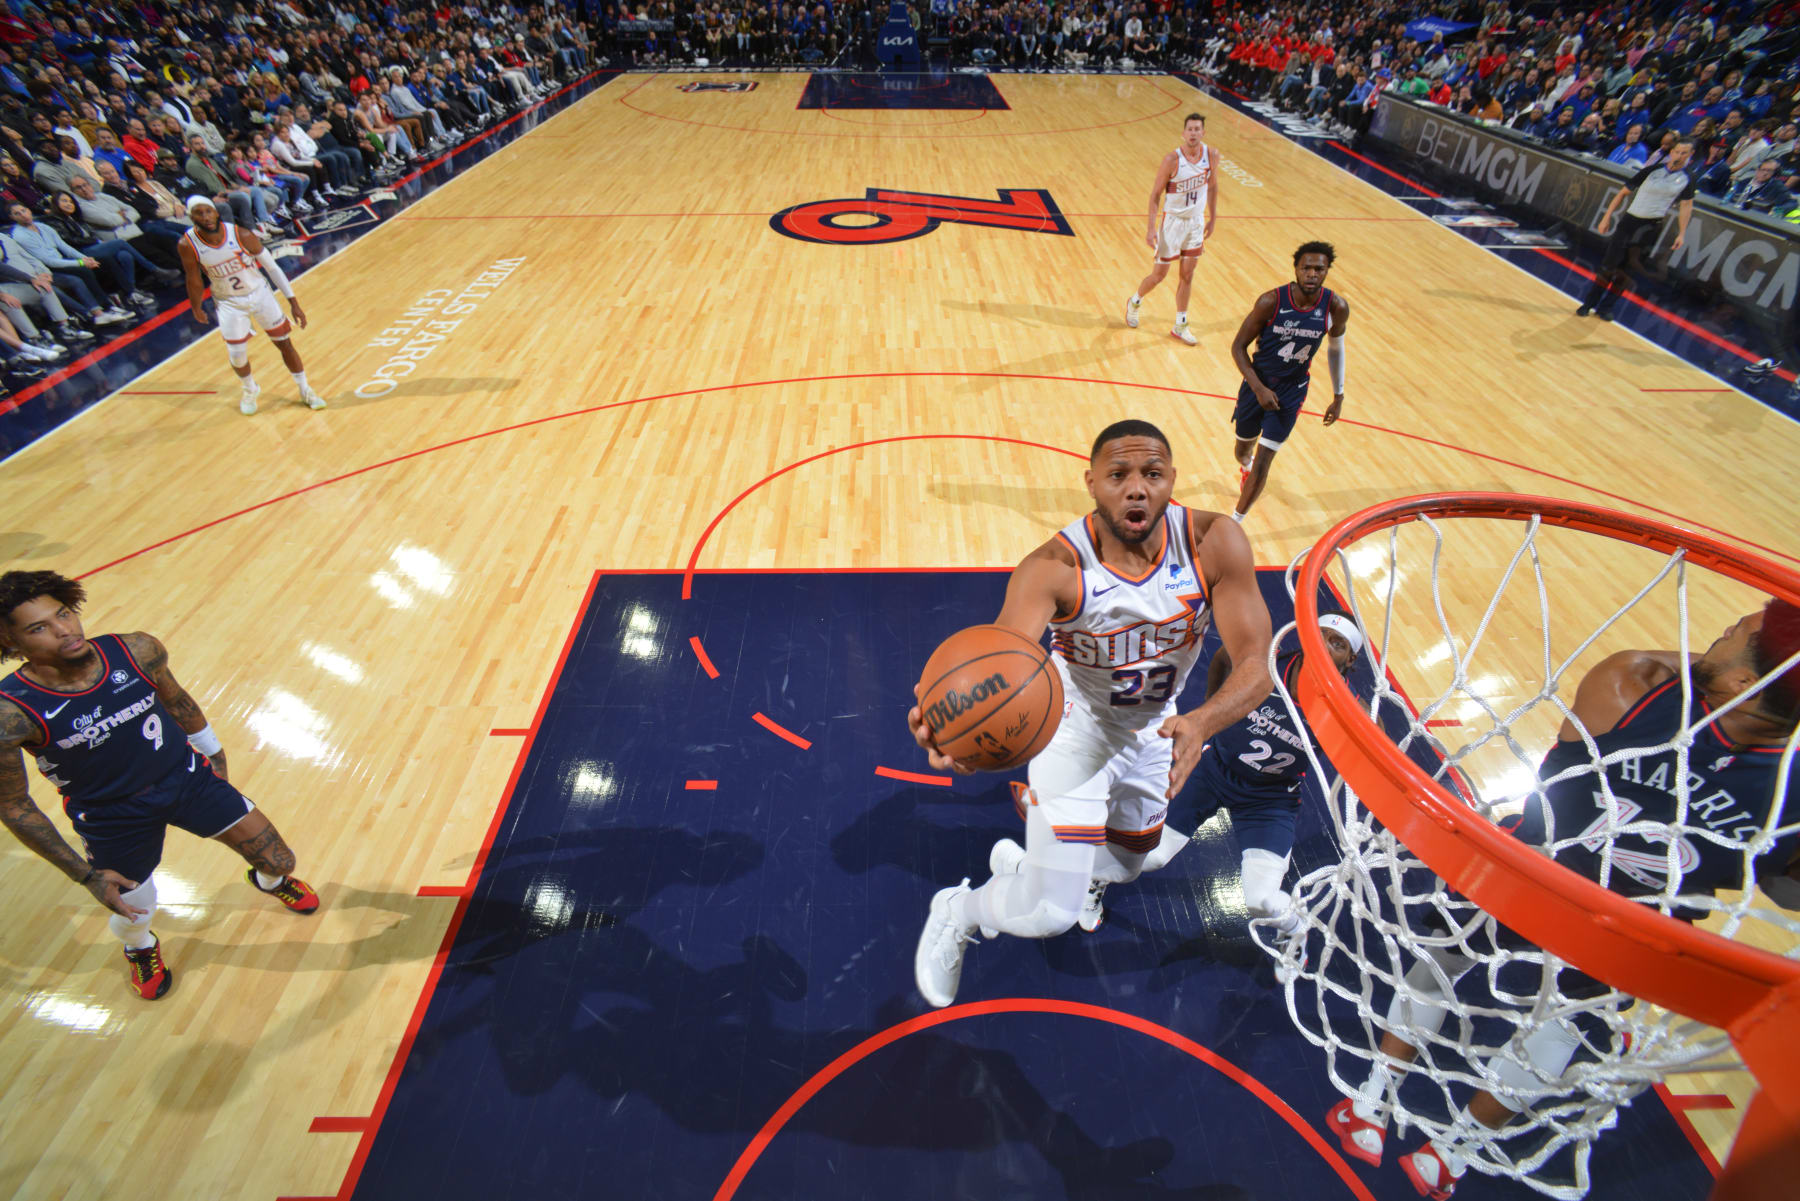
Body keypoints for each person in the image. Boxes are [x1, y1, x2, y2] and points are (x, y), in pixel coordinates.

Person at [1325, 599, 1800, 1198]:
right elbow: (1786, 891)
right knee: (1560, 1027)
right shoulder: (1791, 796)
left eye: (1738, 633)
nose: (1725, 627)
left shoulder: (1633, 686)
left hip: (1528, 878)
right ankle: (1451, 1154)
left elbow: (1673, 671)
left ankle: (1372, 1099)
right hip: (1627, 930)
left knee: (1442, 964)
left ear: (1742, 682)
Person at [909, 420, 1274, 1008]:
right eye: (1118, 475)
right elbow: (1004, 662)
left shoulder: (1213, 543)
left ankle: (1046, 863)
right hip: (1073, 731)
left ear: (1171, 481)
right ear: (1092, 485)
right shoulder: (1054, 568)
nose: (1136, 489)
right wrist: (960, 735)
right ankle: (962, 909)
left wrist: (1202, 722)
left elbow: (1257, 660)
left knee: (1133, 865)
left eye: (1151, 475)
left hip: (1159, 729)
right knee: (1051, 913)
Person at [0, 570, 321, 1001]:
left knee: (280, 860)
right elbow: (15, 805)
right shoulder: (11, 713)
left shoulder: (135, 650)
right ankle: (141, 948)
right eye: (39, 628)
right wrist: (84, 876)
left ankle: (267, 882)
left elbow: (177, 699)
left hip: (187, 780)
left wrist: (214, 752)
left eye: (64, 614)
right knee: (135, 910)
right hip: (112, 817)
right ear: (10, 642)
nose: (65, 630)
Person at [1137, 613, 1363, 944]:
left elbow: (1367, 757)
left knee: (1262, 901)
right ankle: (1086, 879)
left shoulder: (1351, 710)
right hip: (1213, 770)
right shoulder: (1264, 667)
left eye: (1337, 643)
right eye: (1320, 635)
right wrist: (1210, 713)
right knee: (1150, 856)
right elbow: (1223, 656)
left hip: (1270, 799)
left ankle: (1295, 933)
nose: (1325, 647)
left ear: (1350, 658)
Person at [1227, 241, 1350, 523]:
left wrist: (1338, 395)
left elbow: (1336, 349)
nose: (1312, 274)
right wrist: (1258, 389)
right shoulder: (1270, 301)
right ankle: (1245, 466)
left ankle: (1236, 521)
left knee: (1265, 459)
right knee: (1242, 450)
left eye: (1319, 269)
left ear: (1327, 271)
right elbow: (1237, 347)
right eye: (1306, 267)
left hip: (1291, 390)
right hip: (1257, 383)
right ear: (1295, 268)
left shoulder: (1336, 307)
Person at [178, 196, 326, 415]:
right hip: (229, 301)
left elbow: (272, 268)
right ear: (191, 217)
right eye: (199, 213)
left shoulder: (241, 234)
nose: (205, 217)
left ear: (217, 212)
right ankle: (250, 389)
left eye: (208, 211)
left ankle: (305, 389)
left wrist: (293, 302)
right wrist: (196, 306)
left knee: (284, 343)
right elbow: (193, 278)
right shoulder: (187, 244)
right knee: (236, 354)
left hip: (259, 294)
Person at [1125, 113, 1218, 347]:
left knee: (1188, 275)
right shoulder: (1172, 160)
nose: (1194, 133)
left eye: (1198, 129)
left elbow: (1213, 186)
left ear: (1203, 132)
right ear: (1183, 133)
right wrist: (1150, 228)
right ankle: (1135, 301)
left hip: (1195, 222)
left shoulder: (1212, 155)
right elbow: (1155, 195)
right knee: (1159, 276)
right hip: (1172, 223)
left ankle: (1180, 325)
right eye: (1190, 129)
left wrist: (1213, 217)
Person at [1576, 138, 1696, 321]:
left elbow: (1686, 206)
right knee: (1609, 265)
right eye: (1677, 151)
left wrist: (1682, 233)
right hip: (1630, 221)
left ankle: (1606, 307)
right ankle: (1589, 303)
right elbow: (1624, 192)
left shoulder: (1687, 179)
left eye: (1684, 153)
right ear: (1671, 152)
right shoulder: (1651, 170)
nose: (1679, 156)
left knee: (1628, 269)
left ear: (1690, 155)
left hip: (1650, 227)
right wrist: (1606, 217)